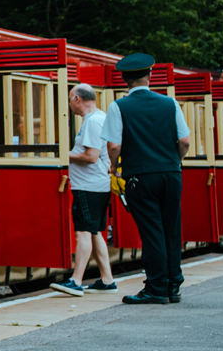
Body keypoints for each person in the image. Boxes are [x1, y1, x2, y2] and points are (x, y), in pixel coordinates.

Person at [102, 53, 192, 305]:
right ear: (149, 76)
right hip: (172, 174)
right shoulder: (170, 103)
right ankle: (174, 284)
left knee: (152, 231)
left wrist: (114, 167)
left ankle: (156, 287)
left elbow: (114, 146)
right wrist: (175, 161)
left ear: (124, 80)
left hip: (140, 176)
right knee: (171, 228)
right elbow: (184, 141)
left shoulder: (118, 106)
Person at [51, 84, 117, 296]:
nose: (69, 105)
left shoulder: (92, 121)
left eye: (70, 100)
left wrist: (64, 154)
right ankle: (107, 280)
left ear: (77, 99)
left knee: (83, 233)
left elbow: (91, 156)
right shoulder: (99, 118)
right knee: (96, 231)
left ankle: (76, 280)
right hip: (97, 186)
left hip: (88, 187)